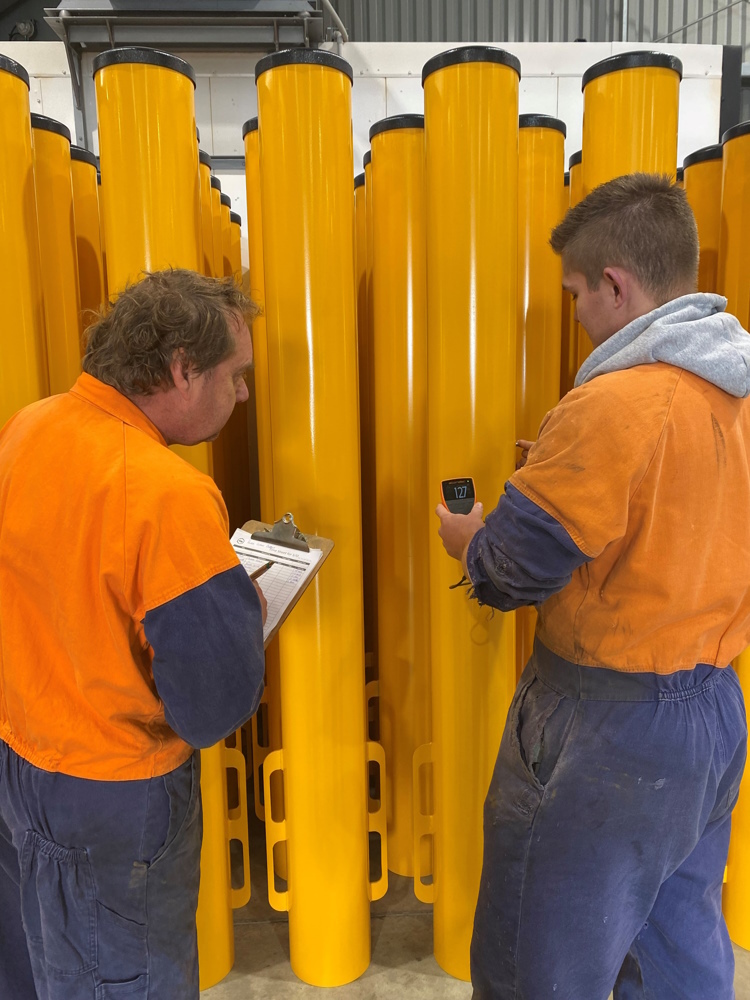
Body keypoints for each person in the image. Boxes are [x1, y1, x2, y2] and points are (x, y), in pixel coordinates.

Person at [436, 174, 750, 1000]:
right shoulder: (736, 392)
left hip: (601, 728)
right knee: (676, 945)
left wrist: (471, 541)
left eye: (575, 293)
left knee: (536, 959)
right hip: (713, 713)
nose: (573, 312)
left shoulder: (613, 407)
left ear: (615, 285)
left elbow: (510, 575)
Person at [0, 269, 267, 1000]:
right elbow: (213, 705)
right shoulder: (165, 493)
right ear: (183, 369)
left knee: (42, 955)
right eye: (234, 376)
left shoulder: (33, 424)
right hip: (116, 795)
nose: (241, 395)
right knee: (127, 978)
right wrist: (242, 617)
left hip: (21, 756)